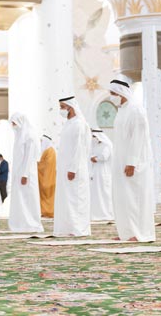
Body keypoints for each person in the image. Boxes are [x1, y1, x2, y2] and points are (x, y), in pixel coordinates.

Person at [109, 79, 155, 242]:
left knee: (134, 198)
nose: (111, 97)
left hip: (134, 163)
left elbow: (138, 138)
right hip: (121, 161)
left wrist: (132, 162)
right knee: (122, 198)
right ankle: (126, 232)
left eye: (113, 93)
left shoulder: (136, 110)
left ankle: (138, 232)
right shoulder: (122, 111)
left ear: (121, 93)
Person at [53, 96, 92, 237]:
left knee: (76, 199)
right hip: (65, 168)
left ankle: (78, 228)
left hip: (75, 169)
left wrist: (73, 169)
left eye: (62, 107)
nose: (61, 110)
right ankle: (68, 228)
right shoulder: (69, 124)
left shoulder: (79, 124)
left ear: (71, 107)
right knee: (66, 199)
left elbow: (79, 148)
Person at [8, 113, 43, 233]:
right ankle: (20, 224)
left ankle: (31, 224)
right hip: (19, 173)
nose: (13, 125)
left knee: (29, 199)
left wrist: (25, 174)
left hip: (27, 173)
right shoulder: (19, 135)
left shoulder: (29, 135)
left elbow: (29, 157)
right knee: (20, 199)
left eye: (14, 123)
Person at [89, 129, 114, 222]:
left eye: (94, 136)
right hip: (96, 171)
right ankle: (97, 213)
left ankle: (106, 213)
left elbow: (104, 156)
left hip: (103, 172)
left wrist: (95, 158)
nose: (93, 138)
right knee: (96, 193)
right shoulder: (96, 146)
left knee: (104, 192)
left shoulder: (107, 145)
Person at [37, 135, 57, 218]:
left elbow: (47, 164)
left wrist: (37, 164)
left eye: (42, 141)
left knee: (48, 193)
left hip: (48, 177)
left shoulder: (50, 151)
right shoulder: (46, 151)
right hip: (44, 176)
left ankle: (50, 212)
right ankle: (44, 211)